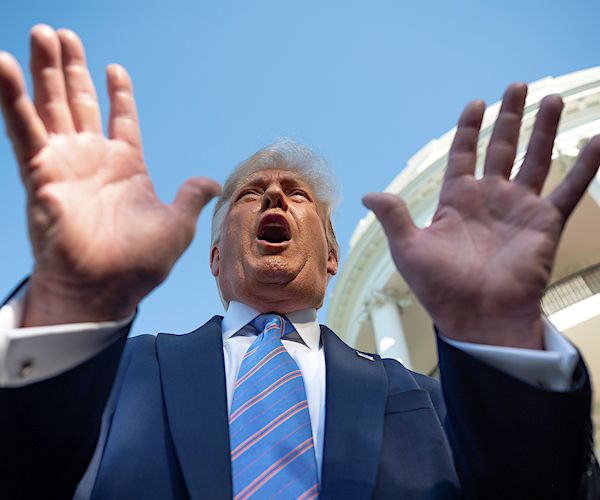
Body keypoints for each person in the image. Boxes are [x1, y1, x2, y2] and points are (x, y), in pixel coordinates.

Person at [0, 24, 598, 499]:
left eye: (297, 194)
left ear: (333, 256)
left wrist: (494, 329)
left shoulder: (430, 399)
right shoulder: (113, 377)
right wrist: (70, 299)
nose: (276, 198)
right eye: (251, 194)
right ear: (214, 257)